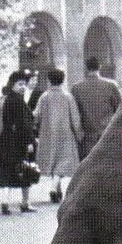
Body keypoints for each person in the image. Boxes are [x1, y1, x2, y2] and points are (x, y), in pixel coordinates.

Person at [33, 68, 83, 204]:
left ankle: (57, 190)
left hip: (47, 135)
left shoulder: (44, 97)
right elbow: (75, 118)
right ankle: (54, 189)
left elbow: (36, 116)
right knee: (62, 163)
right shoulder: (67, 97)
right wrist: (79, 135)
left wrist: (37, 127)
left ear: (49, 80)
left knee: (53, 162)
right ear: (62, 80)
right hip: (65, 134)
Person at [0, 71, 38, 215]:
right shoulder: (18, 101)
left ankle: (5, 202)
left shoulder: (8, 99)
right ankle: (25, 203)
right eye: (20, 84)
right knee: (25, 170)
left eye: (24, 84)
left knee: (6, 172)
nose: (23, 87)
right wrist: (29, 141)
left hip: (6, 141)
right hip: (18, 142)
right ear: (12, 85)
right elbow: (23, 124)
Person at [70, 56, 122, 159]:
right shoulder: (111, 85)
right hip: (108, 134)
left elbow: (75, 114)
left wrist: (79, 135)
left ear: (86, 68)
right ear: (99, 67)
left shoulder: (76, 88)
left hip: (87, 136)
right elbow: (120, 109)